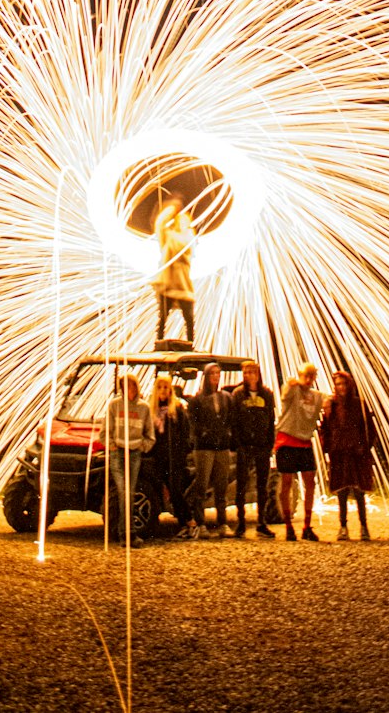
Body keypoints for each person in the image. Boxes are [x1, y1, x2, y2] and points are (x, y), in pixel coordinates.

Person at [319, 369, 377, 541]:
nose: (341, 387)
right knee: (341, 491)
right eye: (338, 384)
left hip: (356, 453)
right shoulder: (331, 406)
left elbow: (369, 429)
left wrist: (364, 448)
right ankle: (343, 526)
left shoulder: (359, 404)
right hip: (339, 452)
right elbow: (325, 428)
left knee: (359, 491)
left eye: (344, 384)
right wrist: (328, 446)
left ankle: (364, 526)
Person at [275, 361, 327, 541]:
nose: (308, 380)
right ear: (300, 375)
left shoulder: (317, 396)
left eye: (312, 376)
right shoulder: (293, 390)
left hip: (304, 442)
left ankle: (306, 525)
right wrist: (291, 383)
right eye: (305, 376)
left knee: (310, 482)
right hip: (287, 440)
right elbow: (285, 393)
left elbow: (328, 402)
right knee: (287, 481)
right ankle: (289, 526)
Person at [106, 373, 155, 547]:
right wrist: (111, 445)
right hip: (117, 453)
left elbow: (150, 435)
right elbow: (105, 430)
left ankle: (124, 534)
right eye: (125, 386)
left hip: (134, 454)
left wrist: (142, 446)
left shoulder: (144, 408)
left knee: (128, 492)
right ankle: (128, 534)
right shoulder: (114, 405)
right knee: (124, 492)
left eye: (131, 386)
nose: (129, 390)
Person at [229, 359, 276, 538]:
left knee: (262, 485)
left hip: (262, 446)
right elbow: (234, 421)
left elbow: (271, 419)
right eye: (245, 372)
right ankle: (241, 522)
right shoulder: (238, 395)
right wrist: (239, 444)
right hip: (245, 446)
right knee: (241, 484)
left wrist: (270, 443)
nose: (247, 375)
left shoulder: (267, 395)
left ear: (257, 374)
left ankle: (261, 522)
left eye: (251, 372)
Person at [187, 361, 231, 537]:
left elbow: (230, 419)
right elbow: (193, 422)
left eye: (218, 374)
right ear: (206, 377)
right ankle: (201, 522)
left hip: (222, 446)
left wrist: (227, 435)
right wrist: (203, 434)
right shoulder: (197, 399)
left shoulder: (226, 398)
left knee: (222, 485)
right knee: (202, 485)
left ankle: (223, 522)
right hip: (204, 448)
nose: (216, 377)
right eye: (213, 374)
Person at [148, 374, 193, 537]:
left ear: (170, 390)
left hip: (175, 457)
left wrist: (181, 453)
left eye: (166, 387)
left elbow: (185, 433)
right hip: (160, 457)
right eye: (159, 387)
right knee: (170, 492)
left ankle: (190, 522)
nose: (162, 390)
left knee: (176, 491)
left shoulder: (177, 409)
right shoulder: (152, 410)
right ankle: (184, 523)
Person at [153, 196, 195, 345]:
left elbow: (183, 246)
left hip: (183, 285)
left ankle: (191, 343)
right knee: (163, 316)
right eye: (180, 222)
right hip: (168, 283)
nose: (183, 224)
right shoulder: (169, 236)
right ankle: (158, 341)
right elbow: (160, 223)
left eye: (185, 222)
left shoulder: (187, 238)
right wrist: (171, 209)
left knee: (189, 318)